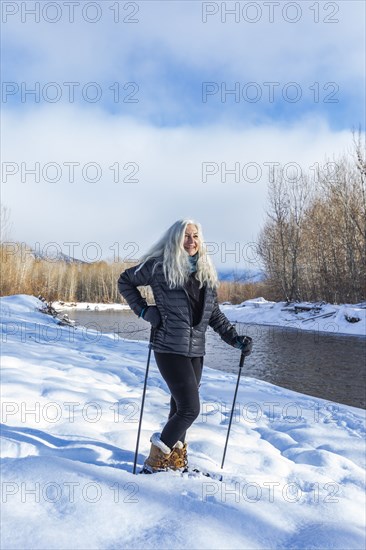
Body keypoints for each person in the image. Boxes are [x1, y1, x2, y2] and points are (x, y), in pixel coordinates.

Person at [117, 219, 253, 473]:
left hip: (195, 352)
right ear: (175, 239)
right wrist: (145, 311)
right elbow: (125, 281)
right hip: (169, 347)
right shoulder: (159, 266)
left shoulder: (206, 274)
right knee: (190, 409)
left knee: (179, 408)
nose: (191, 241)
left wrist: (235, 339)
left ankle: (175, 460)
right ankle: (155, 462)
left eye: (195, 236)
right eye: (186, 236)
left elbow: (213, 315)